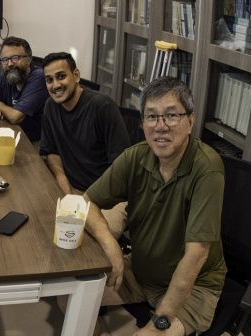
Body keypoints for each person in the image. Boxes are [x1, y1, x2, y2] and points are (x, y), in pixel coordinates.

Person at [83, 77, 227, 335]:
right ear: (143, 123)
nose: (160, 127)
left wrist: (161, 320)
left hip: (194, 286)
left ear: (190, 121)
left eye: (171, 115)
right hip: (139, 272)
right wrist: (112, 248)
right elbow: (87, 202)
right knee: (71, 296)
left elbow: (197, 255)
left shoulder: (207, 168)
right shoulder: (136, 156)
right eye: (152, 117)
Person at [39, 52, 130, 238]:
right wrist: (66, 189)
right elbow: (52, 153)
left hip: (108, 196)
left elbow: (121, 167)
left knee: (85, 238)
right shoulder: (50, 106)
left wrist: (86, 201)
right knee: (42, 223)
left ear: (76, 76)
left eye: (61, 76)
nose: (55, 85)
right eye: (49, 80)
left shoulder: (102, 107)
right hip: (72, 188)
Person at [0, 36, 48, 142]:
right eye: (5, 59)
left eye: (15, 58)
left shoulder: (38, 77)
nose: (9, 64)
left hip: (34, 143)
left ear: (29, 59)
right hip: (10, 133)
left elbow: (15, 117)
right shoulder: (7, 74)